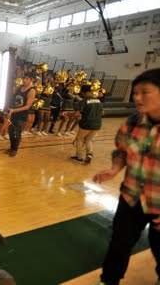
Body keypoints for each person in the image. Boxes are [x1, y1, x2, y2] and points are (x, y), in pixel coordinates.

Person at [93, 68, 160, 285]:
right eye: (135, 92)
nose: (137, 97)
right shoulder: (131, 123)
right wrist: (114, 169)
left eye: (145, 92)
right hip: (130, 198)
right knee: (118, 245)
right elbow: (122, 151)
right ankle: (108, 281)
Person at [70, 84, 103, 164]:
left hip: (86, 124)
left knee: (79, 139)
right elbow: (103, 112)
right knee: (89, 140)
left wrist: (69, 114)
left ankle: (79, 157)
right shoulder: (98, 101)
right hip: (97, 124)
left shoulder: (84, 101)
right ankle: (89, 154)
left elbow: (77, 114)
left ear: (84, 92)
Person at [6, 72, 36, 157]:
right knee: (11, 131)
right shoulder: (19, 87)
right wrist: (9, 109)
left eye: (27, 79)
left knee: (17, 132)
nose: (24, 80)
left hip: (21, 115)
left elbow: (27, 106)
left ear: (31, 80)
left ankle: (15, 149)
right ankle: (12, 147)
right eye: (24, 78)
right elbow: (13, 99)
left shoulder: (32, 91)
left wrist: (14, 110)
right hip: (13, 112)